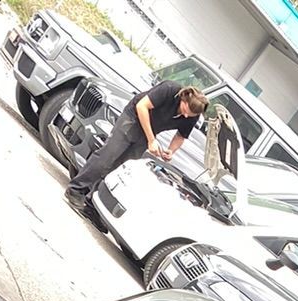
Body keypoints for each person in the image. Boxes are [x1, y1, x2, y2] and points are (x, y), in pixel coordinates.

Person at [66, 81, 206, 213]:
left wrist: (171, 151)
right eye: (185, 110)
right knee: (108, 156)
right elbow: (142, 106)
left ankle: (93, 203)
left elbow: (180, 136)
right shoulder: (169, 89)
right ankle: (76, 189)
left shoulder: (192, 115)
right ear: (184, 98)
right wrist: (151, 140)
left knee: (120, 169)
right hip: (133, 118)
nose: (186, 115)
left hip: (149, 132)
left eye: (191, 115)